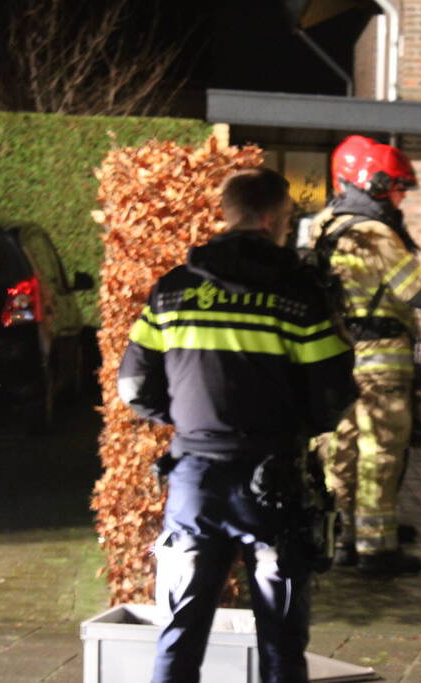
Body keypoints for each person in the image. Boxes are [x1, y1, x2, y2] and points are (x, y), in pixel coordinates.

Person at [117, 168, 358, 683]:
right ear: (272, 217)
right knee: (281, 640)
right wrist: (297, 426)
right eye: (289, 216)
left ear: (228, 213)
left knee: (179, 635)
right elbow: (333, 394)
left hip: (194, 482)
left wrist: (186, 423)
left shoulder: (172, 292)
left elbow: (134, 388)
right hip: (273, 484)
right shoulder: (299, 296)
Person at [310, 138, 421, 576]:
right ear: (372, 183)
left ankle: (343, 535)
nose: (400, 197)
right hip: (382, 358)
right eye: (395, 189)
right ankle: (377, 548)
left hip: (337, 354)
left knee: (342, 448)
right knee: (381, 451)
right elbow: (417, 292)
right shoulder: (376, 233)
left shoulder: (325, 226)